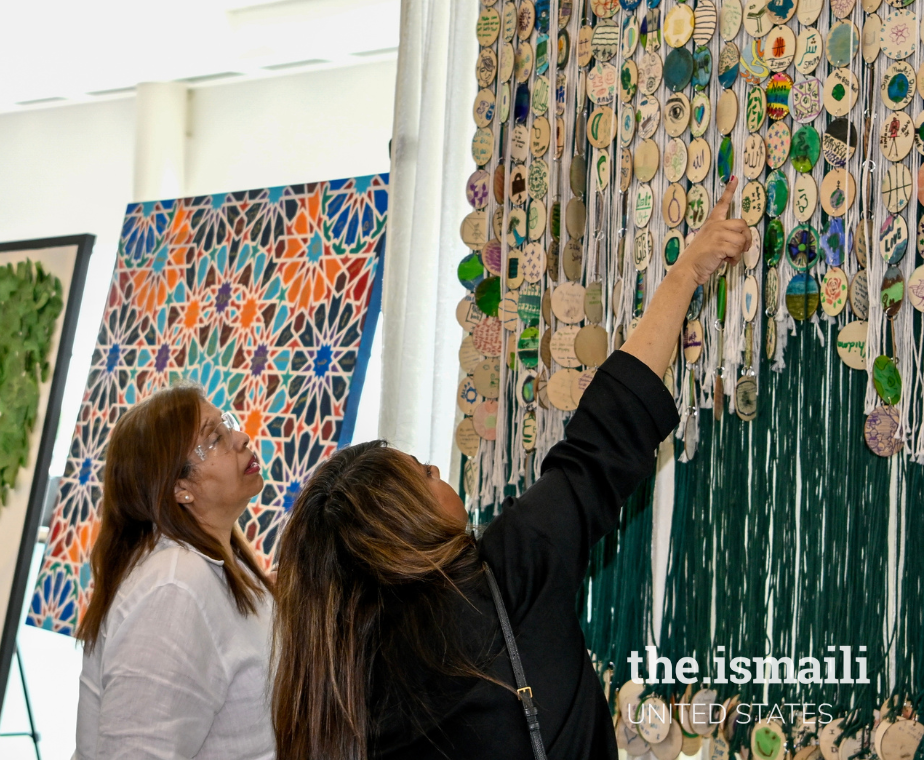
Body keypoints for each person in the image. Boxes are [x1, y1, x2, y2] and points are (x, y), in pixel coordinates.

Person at [272, 180, 750, 760]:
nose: (441, 476)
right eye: (426, 472)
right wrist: (685, 274)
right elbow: (603, 437)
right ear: (407, 522)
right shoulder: (501, 578)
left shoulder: (340, 691)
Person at [74, 385, 275, 760]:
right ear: (180, 487)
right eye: (215, 438)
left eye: (226, 425)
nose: (242, 438)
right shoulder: (173, 588)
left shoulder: (213, 562)